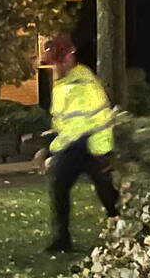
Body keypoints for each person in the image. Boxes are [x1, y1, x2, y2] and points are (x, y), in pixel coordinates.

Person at [35, 34, 120, 252]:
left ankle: (126, 230)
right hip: (78, 146)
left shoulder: (81, 83)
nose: (55, 67)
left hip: (91, 147)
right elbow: (64, 122)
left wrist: (49, 149)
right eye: (52, 63)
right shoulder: (63, 83)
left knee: (107, 195)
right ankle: (62, 239)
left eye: (57, 62)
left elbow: (79, 127)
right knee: (59, 189)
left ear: (68, 58)